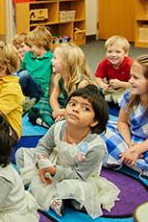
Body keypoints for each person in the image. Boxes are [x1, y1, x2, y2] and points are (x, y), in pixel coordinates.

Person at [16, 85, 119, 218]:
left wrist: (53, 170)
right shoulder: (58, 127)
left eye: (85, 108)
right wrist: (41, 162)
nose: (76, 109)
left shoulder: (96, 147)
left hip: (77, 175)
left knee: (76, 189)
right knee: (22, 154)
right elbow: (43, 147)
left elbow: (79, 175)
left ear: (94, 121)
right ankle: (54, 196)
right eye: (72, 104)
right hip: (52, 162)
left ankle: (60, 196)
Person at [102, 54, 148, 175]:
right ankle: (134, 161)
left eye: (136, 78)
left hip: (145, 143)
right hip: (129, 136)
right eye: (131, 76)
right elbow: (121, 122)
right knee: (99, 130)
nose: (130, 81)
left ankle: (124, 158)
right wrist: (129, 144)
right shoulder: (129, 95)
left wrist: (137, 149)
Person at [31, 43, 94, 128]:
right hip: (67, 105)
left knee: (74, 121)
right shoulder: (60, 78)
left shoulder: (82, 84)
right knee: (38, 106)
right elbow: (53, 98)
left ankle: (51, 125)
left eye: (55, 58)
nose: (51, 60)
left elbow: (83, 109)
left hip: (80, 109)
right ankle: (54, 125)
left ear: (66, 63)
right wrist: (57, 111)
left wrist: (61, 113)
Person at [21, 26, 54, 122]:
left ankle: (26, 102)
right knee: (21, 75)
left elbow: (54, 80)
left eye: (31, 46)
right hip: (27, 88)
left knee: (24, 74)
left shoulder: (51, 58)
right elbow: (20, 72)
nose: (30, 49)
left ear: (41, 44)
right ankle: (22, 99)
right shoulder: (28, 56)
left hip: (41, 91)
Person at [95, 35, 132, 103]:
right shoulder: (104, 63)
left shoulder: (130, 65)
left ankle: (116, 99)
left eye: (118, 52)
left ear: (126, 53)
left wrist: (121, 84)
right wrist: (102, 84)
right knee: (95, 89)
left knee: (131, 94)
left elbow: (134, 84)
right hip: (111, 88)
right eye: (110, 51)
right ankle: (114, 99)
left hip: (126, 88)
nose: (113, 55)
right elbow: (98, 77)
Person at [12, 32, 44, 110]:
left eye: (22, 46)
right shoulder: (19, 59)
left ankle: (13, 100)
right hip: (26, 92)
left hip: (37, 90)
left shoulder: (35, 58)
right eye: (17, 48)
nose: (20, 50)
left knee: (24, 74)